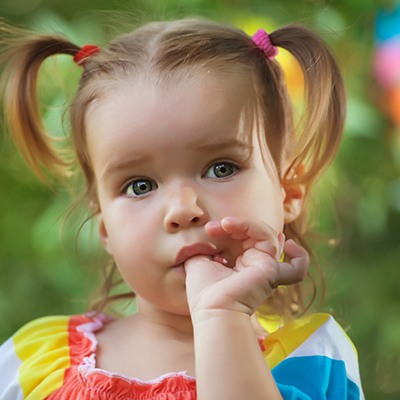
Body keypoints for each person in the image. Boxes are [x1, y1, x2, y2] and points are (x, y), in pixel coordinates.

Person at [0, 16, 364, 399]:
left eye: (221, 168)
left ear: (288, 192)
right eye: (139, 186)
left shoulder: (313, 359)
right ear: (104, 225)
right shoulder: (33, 362)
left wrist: (222, 316)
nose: (182, 209)